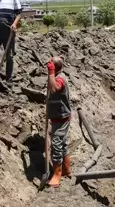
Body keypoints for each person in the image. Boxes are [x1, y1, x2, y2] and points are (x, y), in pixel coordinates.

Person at [46, 56, 72, 188]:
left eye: (51, 64)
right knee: (62, 142)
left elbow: (55, 88)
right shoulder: (57, 75)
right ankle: (67, 169)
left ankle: (57, 174)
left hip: (61, 116)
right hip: (58, 115)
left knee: (56, 143)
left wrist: (51, 73)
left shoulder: (60, 78)